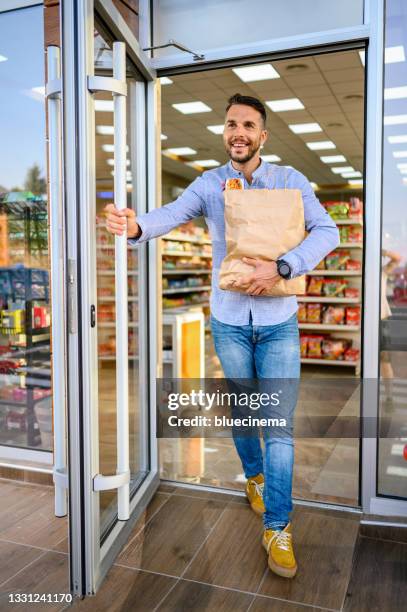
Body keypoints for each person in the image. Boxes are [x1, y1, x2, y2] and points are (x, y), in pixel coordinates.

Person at [105, 93, 340, 578]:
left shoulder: (290, 182)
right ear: (226, 131)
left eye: (248, 125)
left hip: (279, 323)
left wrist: (282, 266)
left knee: (278, 426)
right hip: (230, 322)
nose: (239, 132)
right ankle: (253, 477)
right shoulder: (210, 184)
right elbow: (169, 214)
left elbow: (328, 231)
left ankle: (277, 525)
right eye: (232, 123)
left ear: (262, 135)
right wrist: (134, 227)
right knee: (242, 411)